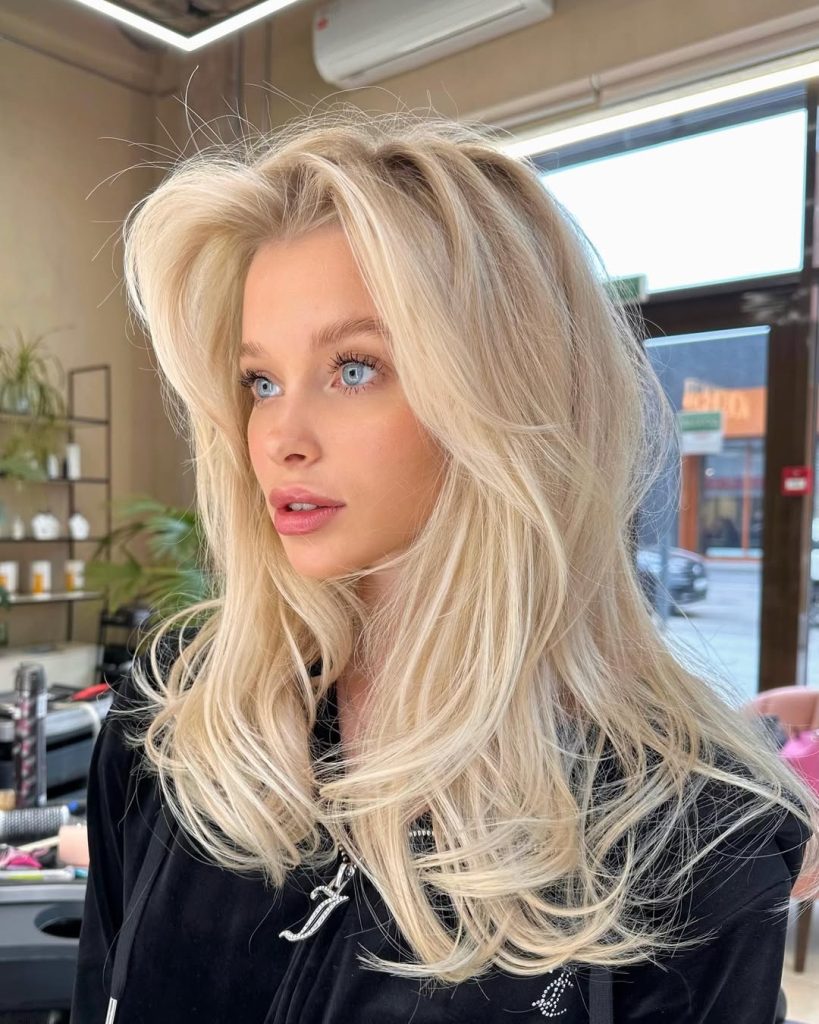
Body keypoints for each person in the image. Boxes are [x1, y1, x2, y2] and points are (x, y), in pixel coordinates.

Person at [71, 104, 819, 1023]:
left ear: (506, 392)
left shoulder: (694, 843)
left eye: (353, 368)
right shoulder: (174, 727)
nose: (278, 437)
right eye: (260, 381)